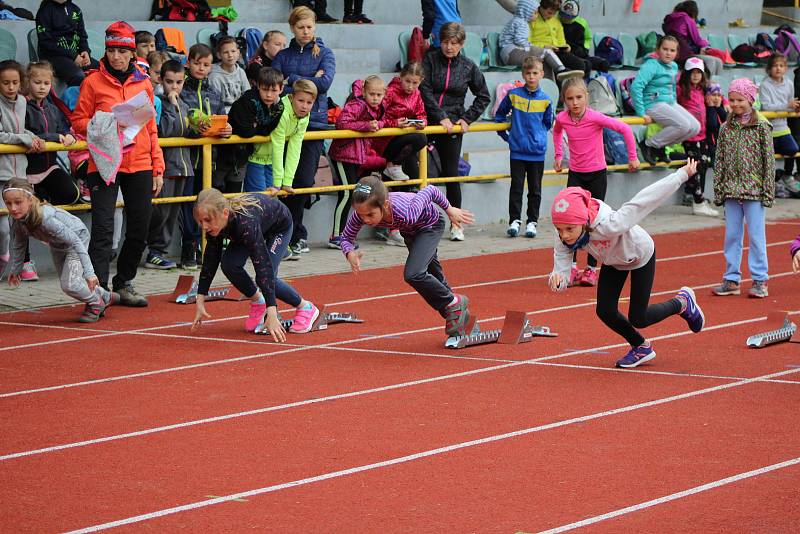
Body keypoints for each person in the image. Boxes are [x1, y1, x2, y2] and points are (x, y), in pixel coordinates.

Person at [548, 159, 705, 369]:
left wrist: (681, 175)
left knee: (639, 317)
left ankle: (683, 303)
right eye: (559, 229)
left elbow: (644, 200)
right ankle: (641, 347)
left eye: (569, 229)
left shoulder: (610, 223)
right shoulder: (563, 236)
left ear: (584, 220)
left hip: (639, 255)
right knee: (604, 310)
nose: (564, 235)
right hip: (613, 261)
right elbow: (562, 266)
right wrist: (558, 278)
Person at [72, 21, 165, 306]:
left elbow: (151, 128)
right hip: (104, 162)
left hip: (139, 163)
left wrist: (157, 166)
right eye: (111, 50)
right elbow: (77, 122)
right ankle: (97, 292)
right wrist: (105, 124)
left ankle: (123, 282)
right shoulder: (91, 81)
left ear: (132, 53)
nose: (116, 57)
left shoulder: (144, 82)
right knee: (102, 229)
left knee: (140, 227)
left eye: (122, 51)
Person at [340, 176, 475, 337]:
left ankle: (455, 302)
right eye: (361, 215)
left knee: (414, 273)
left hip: (430, 226)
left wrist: (449, 209)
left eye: (370, 214)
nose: (365, 220)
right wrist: (349, 253)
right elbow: (346, 238)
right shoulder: (360, 216)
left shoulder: (405, 212)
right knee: (434, 279)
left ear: (386, 205)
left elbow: (430, 190)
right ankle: (465, 323)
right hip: (410, 233)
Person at [190, 188, 320, 340]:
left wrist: (272, 312)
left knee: (267, 275)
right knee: (229, 264)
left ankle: (306, 307)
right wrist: (200, 299)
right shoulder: (216, 225)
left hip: (279, 228)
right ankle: (258, 301)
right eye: (200, 221)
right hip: (257, 227)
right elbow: (211, 260)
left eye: (207, 220)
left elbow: (263, 266)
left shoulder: (246, 224)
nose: (204, 226)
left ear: (225, 213)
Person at [552, 77, 640, 287]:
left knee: (592, 223)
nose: (575, 103)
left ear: (587, 97)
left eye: (579, 97)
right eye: (570, 98)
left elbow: (625, 129)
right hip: (576, 174)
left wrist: (632, 156)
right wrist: (558, 155)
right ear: (564, 100)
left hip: (596, 175)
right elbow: (557, 132)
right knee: (570, 222)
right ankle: (571, 268)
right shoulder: (563, 118)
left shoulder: (596, 117)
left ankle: (591, 269)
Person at [2, 179, 119, 322]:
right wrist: (16, 269)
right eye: (8, 203)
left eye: (18, 202)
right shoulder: (15, 219)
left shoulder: (45, 218)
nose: (13, 208)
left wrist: (90, 273)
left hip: (77, 239)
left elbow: (75, 240)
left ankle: (97, 302)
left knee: (70, 284)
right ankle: (105, 295)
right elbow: (19, 243)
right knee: (70, 281)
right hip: (57, 244)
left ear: (30, 200)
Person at [272, 6, 336, 256]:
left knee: (302, 181)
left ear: (315, 27)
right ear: (292, 28)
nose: (306, 31)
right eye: (301, 27)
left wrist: (294, 80)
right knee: (279, 181)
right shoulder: (283, 55)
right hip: (285, 124)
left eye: (309, 27)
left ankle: (296, 234)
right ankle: (284, 233)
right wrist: (309, 79)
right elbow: (277, 85)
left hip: (314, 125)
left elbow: (324, 84)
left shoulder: (326, 54)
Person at [420, 22, 490, 241]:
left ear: (461, 44)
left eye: (454, 43)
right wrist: (440, 116)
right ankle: (420, 223)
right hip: (428, 122)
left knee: (451, 175)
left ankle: (456, 224)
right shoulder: (429, 60)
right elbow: (424, 90)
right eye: (445, 42)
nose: (449, 47)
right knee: (421, 176)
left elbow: (484, 96)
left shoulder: (468, 67)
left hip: (452, 127)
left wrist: (466, 118)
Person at [711, 78, 775, 299]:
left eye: (740, 100)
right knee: (732, 235)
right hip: (730, 190)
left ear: (750, 99)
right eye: (732, 100)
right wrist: (719, 188)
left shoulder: (762, 126)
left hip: (754, 190)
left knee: (757, 236)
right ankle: (731, 279)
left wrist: (768, 191)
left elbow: (769, 161)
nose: (735, 104)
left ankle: (759, 279)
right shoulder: (725, 128)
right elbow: (718, 160)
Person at [179, 42, 232, 269]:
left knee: (209, 204)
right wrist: (193, 130)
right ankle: (188, 248)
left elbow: (220, 119)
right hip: (189, 160)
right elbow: (180, 121)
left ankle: (208, 249)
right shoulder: (182, 90)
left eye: (206, 65)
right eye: (197, 63)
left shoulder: (214, 92)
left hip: (211, 160)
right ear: (188, 63)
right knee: (189, 205)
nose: (201, 68)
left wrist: (226, 131)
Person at [494, 56, 554, 241]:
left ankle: (532, 222)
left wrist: (539, 138)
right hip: (518, 152)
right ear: (523, 74)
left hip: (537, 153)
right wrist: (508, 137)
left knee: (535, 189)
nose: (531, 77)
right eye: (528, 73)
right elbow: (499, 116)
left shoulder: (546, 100)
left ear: (542, 74)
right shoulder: (513, 95)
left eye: (535, 73)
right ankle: (514, 221)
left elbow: (547, 123)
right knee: (516, 188)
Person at [145, 59, 195, 271]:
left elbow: (187, 132)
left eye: (179, 82)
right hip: (166, 167)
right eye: (170, 82)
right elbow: (165, 130)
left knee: (173, 212)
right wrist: (173, 107)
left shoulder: (185, 104)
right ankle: (154, 252)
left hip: (183, 167)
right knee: (161, 211)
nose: (174, 87)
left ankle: (160, 252)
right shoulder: (159, 103)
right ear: (161, 80)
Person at [375, 62, 430, 246]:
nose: (410, 86)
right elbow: (378, 116)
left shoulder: (416, 94)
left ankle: (404, 227)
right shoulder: (390, 92)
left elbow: (422, 114)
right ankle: (391, 165)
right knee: (420, 140)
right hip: (387, 141)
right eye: (407, 81)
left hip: (405, 145)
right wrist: (395, 122)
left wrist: (420, 122)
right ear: (400, 77)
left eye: (415, 83)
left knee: (412, 181)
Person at [0, 60, 44, 279]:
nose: (10, 87)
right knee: (3, 228)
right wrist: (24, 138)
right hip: (2, 174)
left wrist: (32, 136)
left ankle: (22, 266)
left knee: (21, 224)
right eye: (5, 82)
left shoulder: (22, 103)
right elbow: (3, 135)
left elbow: (17, 129)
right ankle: (4, 259)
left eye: (15, 82)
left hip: (19, 175)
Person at [631, 35, 700, 165]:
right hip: (652, 103)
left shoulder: (673, 66)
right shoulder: (651, 65)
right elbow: (636, 87)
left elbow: (672, 87)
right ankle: (649, 144)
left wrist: (674, 104)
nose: (668, 53)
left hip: (669, 102)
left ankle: (659, 147)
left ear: (676, 52)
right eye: (665, 49)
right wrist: (641, 112)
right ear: (658, 49)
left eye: (672, 50)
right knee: (683, 125)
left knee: (695, 127)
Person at [230, 67, 285, 194]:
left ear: (281, 89)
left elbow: (268, 130)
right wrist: (257, 127)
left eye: (274, 90)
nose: (269, 95)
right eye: (265, 89)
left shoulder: (280, 106)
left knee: (267, 196)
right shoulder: (249, 99)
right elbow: (245, 131)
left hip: (245, 152)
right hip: (231, 149)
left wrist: (256, 126)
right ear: (258, 86)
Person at [676, 57, 718, 217]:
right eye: (692, 73)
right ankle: (698, 200)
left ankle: (698, 199)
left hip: (703, 135)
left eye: (698, 73)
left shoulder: (703, 88)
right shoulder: (682, 89)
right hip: (690, 136)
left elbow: (717, 93)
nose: (695, 76)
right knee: (695, 167)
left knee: (704, 165)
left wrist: (725, 101)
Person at [499, 0, 583, 80]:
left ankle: (550, 87)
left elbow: (561, 41)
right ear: (527, 12)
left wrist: (565, 47)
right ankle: (561, 70)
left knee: (545, 62)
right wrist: (537, 49)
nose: (536, 15)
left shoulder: (517, 21)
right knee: (546, 52)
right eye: (535, 12)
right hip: (512, 53)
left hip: (511, 52)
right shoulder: (522, 24)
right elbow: (521, 42)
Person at [759, 52, 800, 191]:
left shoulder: (789, 83)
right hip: (769, 129)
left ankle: (785, 175)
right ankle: (769, 181)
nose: (778, 68)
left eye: (781, 66)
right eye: (775, 65)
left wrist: (794, 108)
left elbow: (790, 106)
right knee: (767, 157)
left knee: (793, 150)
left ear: (786, 68)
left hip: (783, 128)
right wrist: (786, 106)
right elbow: (766, 107)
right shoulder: (764, 85)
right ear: (769, 68)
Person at [35, 0, 99, 87]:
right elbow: (46, 43)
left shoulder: (76, 10)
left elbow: (82, 36)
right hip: (53, 57)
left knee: (102, 70)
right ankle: (74, 100)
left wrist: (85, 51)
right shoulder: (44, 12)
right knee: (78, 76)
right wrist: (73, 56)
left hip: (75, 56)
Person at [529, 0, 592, 79]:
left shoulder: (556, 21)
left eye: (554, 13)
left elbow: (561, 41)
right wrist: (544, 46)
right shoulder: (532, 19)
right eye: (549, 12)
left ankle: (580, 88)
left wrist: (566, 47)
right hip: (540, 52)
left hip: (557, 52)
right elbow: (526, 43)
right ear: (541, 7)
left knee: (584, 64)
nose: (551, 16)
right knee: (571, 68)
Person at [662, 1, 724, 76]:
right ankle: (706, 85)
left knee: (717, 61)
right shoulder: (687, 18)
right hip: (684, 55)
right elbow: (697, 40)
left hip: (675, 53)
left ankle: (714, 85)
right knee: (712, 61)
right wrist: (707, 44)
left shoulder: (669, 20)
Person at [559, 0, 609, 73]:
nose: (566, 19)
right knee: (585, 65)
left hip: (581, 53)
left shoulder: (582, 22)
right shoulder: (556, 21)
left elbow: (588, 38)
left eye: (569, 17)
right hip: (566, 54)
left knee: (604, 64)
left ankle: (601, 81)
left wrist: (585, 49)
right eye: (564, 16)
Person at [208, 36, 250, 114]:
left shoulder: (241, 72)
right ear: (219, 55)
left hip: (240, 111)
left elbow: (247, 95)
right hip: (223, 112)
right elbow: (215, 103)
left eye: (233, 51)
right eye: (225, 52)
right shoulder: (214, 76)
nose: (230, 55)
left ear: (238, 53)